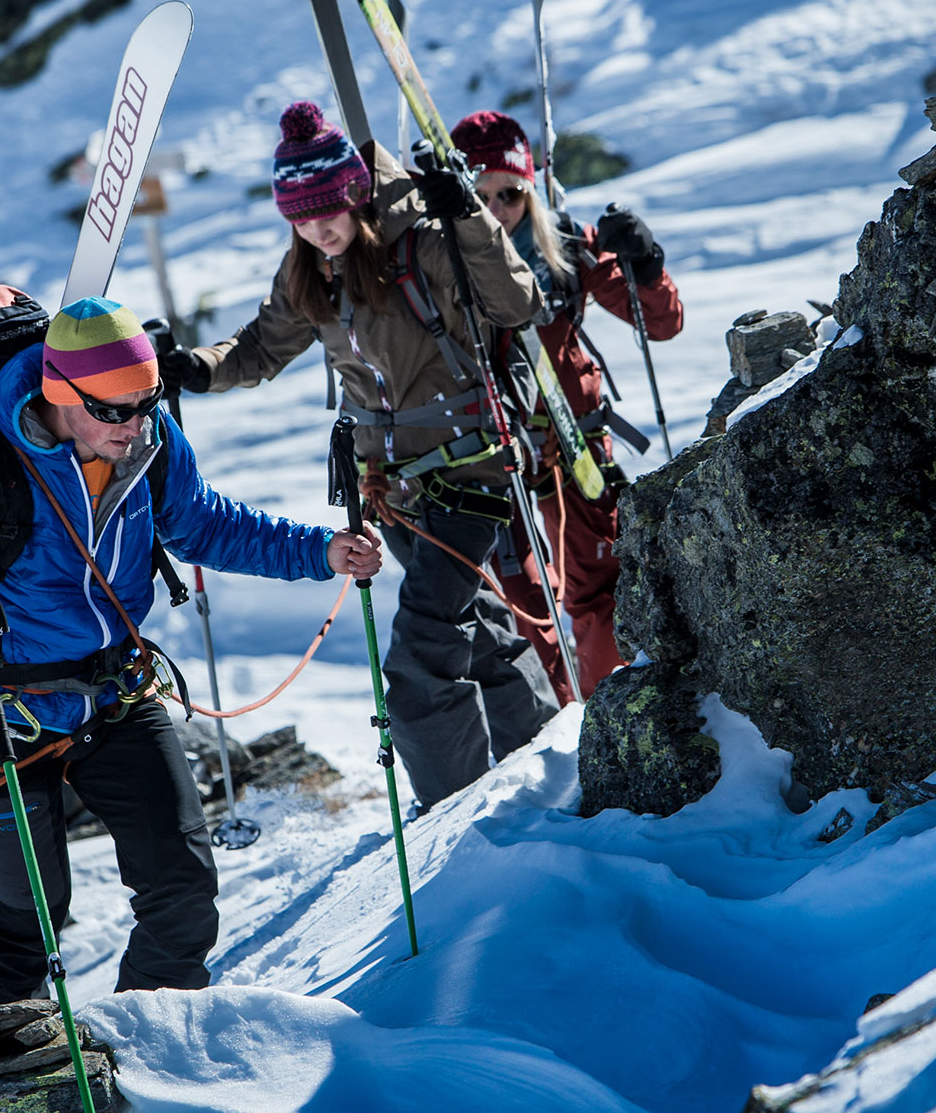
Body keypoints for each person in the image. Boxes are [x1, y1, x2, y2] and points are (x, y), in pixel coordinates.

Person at [0, 295, 382, 1003]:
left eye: (146, 403)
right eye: (114, 409)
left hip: (116, 693)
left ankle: (145, 1043)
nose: (134, 423)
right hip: (5, 708)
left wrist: (319, 551)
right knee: (27, 920)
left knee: (183, 891)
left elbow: (208, 526)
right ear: (62, 395)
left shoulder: (150, 445)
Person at [159, 100, 560, 809]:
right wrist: (198, 366)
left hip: (470, 472)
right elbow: (261, 347)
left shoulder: (423, 243)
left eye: (327, 210)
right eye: (300, 217)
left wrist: (467, 217)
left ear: (352, 193)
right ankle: (548, 765)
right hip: (391, 489)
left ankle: (456, 812)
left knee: (423, 656)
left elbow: (518, 302)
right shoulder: (309, 273)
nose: (318, 227)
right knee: (479, 634)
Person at [448, 110, 683, 702]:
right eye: (481, 197)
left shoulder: (566, 246)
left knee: (599, 586)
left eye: (511, 192)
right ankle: (562, 725)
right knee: (525, 604)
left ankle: (618, 712)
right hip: (494, 453)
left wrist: (646, 263)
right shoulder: (442, 267)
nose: (498, 208)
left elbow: (660, 323)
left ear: (531, 187)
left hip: (578, 443)